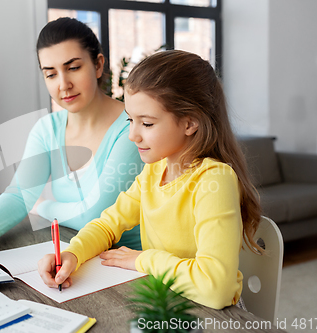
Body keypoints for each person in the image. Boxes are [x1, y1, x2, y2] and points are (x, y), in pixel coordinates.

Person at [37, 50, 263, 310]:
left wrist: (143, 260)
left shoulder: (214, 181)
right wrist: (73, 254)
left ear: (189, 123)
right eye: (130, 120)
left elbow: (216, 289)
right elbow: (108, 224)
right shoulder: (154, 171)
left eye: (146, 123)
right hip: (166, 301)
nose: (132, 135)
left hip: (211, 314)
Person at [0, 17, 143, 265]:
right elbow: (20, 194)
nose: (64, 85)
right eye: (51, 74)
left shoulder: (132, 127)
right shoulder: (47, 128)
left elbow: (95, 216)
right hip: (77, 256)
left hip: (128, 268)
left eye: (73, 68)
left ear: (97, 65)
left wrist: (42, 207)